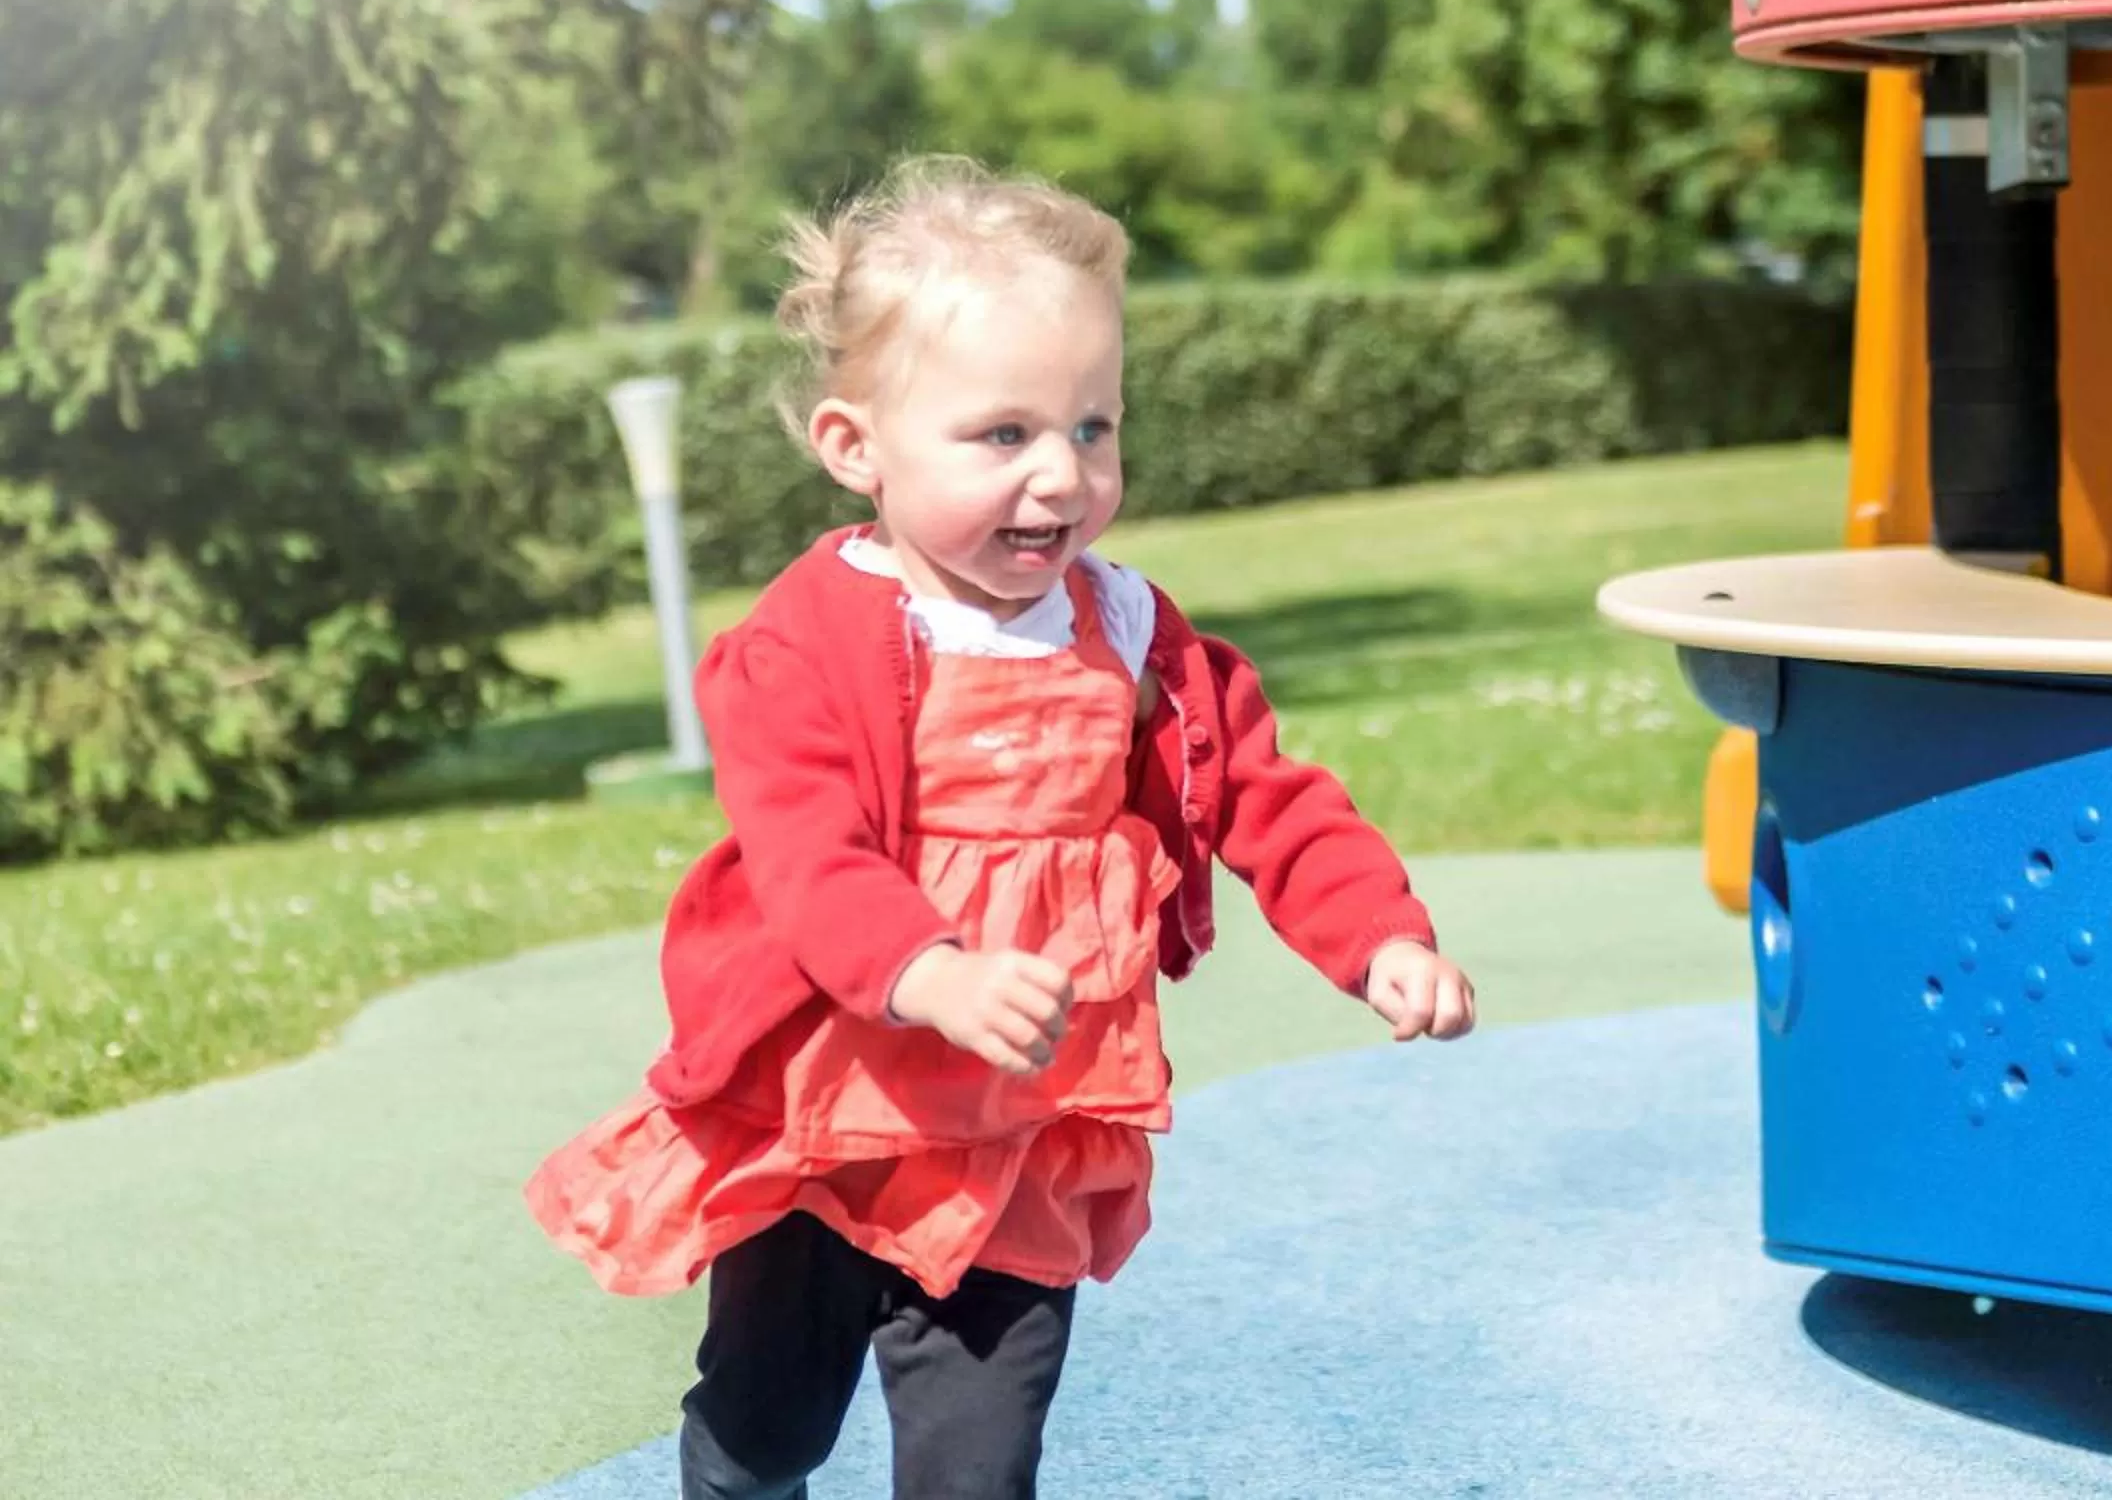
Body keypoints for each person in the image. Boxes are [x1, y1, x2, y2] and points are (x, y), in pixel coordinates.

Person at [527, 155, 1477, 1500]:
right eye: (1003, 434)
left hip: (1027, 1115)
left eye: (1094, 427)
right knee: (766, 1429)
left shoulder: (1128, 627)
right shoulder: (812, 641)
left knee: (979, 1463)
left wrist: (1376, 932)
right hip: (835, 1100)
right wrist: (933, 971)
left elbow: (1261, 788)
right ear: (855, 445)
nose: (1062, 476)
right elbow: (807, 853)